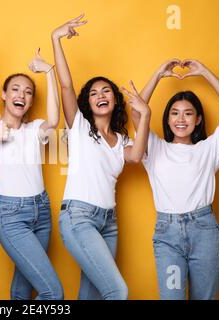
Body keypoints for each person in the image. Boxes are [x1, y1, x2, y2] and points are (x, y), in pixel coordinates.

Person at [51, 14, 151, 300]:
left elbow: (137, 156)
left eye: (106, 90)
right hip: (78, 218)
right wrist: (56, 38)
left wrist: (145, 114)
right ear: (88, 103)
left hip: (109, 222)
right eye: (94, 93)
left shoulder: (121, 141)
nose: (100, 95)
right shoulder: (80, 127)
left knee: (91, 294)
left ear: (115, 99)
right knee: (117, 290)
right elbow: (67, 86)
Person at [132, 59, 219, 300]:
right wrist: (158, 73)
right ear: (168, 119)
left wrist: (205, 72)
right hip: (167, 235)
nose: (181, 119)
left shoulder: (210, 148)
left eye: (188, 114)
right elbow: (137, 113)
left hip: (205, 234)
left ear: (198, 119)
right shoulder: (154, 147)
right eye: (175, 113)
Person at [0, 48, 63, 300]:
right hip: (12, 216)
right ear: (4, 95)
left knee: (22, 290)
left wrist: (48, 71)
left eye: (28, 92)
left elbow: (55, 119)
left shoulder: (35, 129)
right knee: (53, 292)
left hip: (42, 212)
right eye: (15, 89)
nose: (21, 95)